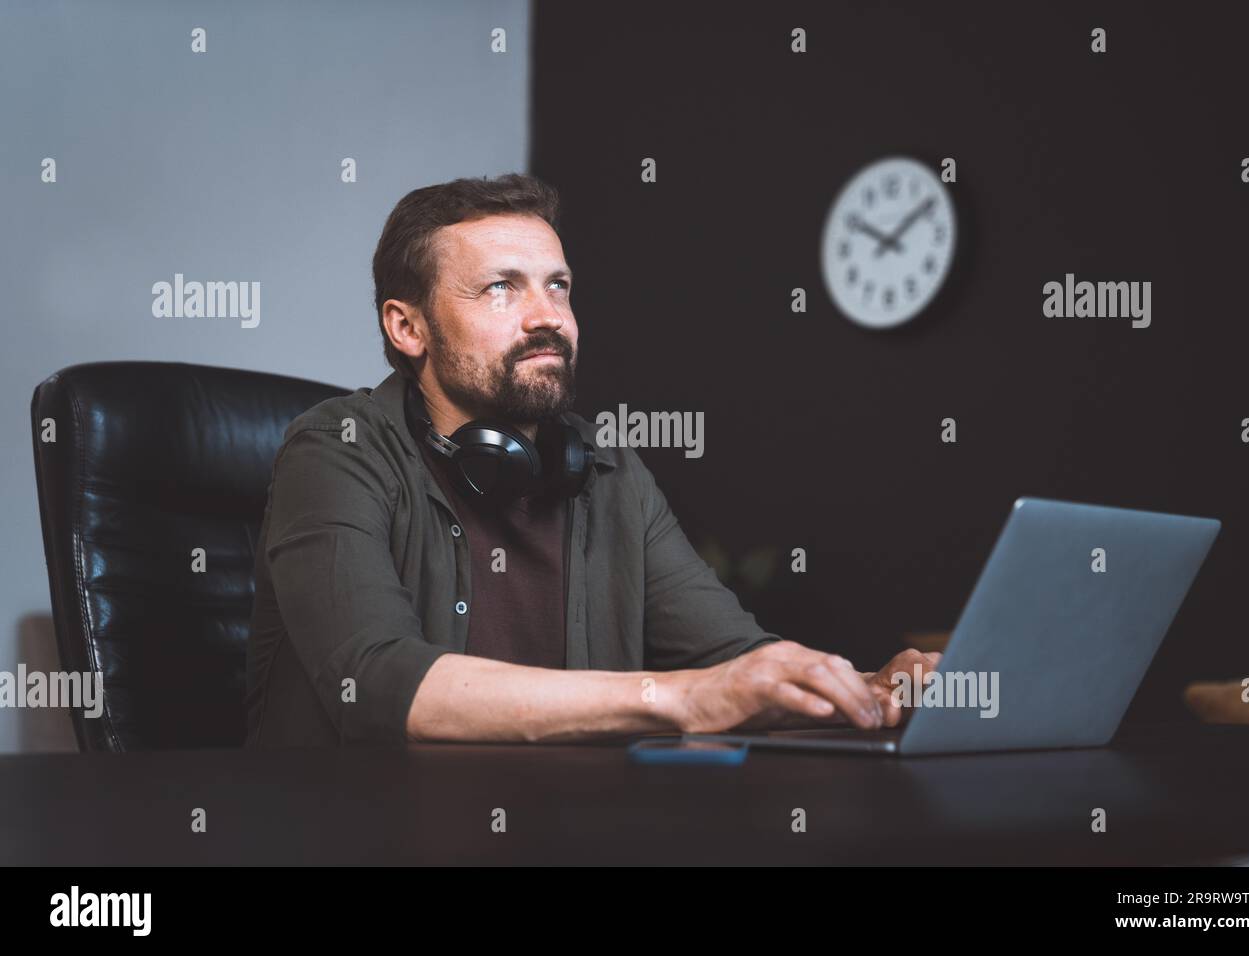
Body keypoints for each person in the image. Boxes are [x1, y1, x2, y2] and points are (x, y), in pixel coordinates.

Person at [244, 173, 939, 747]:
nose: (547, 315)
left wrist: (868, 686)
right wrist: (681, 700)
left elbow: (732, 662)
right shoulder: (336, 450)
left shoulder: (607, 470)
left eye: (559, 286)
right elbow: (377, 682)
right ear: (407, 327)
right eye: (501, 288)